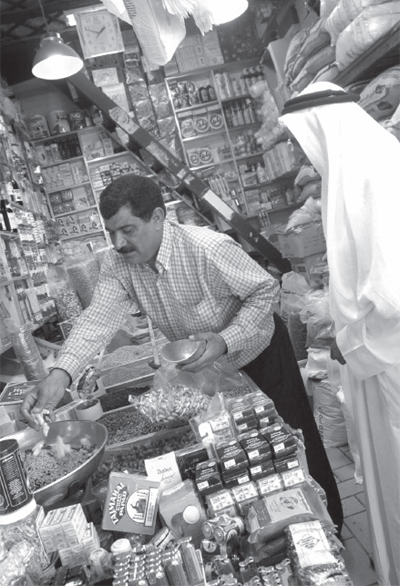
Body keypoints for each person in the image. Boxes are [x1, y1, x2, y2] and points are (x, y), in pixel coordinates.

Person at [21, 174, 342, 531]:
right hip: (210, 371)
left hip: (260, 355)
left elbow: (265, 292)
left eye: (127, 229)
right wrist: (59, 373)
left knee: (294, 440)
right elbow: (96, 319)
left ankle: (332, 526)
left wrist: (223, 340)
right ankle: (274, 525)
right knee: (244, 451)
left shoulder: (207, 247)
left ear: (158, 217)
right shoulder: (118, 264)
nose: (119, 242)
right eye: (111, 232)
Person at [280, 81, 400, 585]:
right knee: (386, 480)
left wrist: (356, 346)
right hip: (371, 356)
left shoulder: (375, 167)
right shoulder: (352, 168)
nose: (303, 154)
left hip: (388, 357)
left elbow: (392, 292)